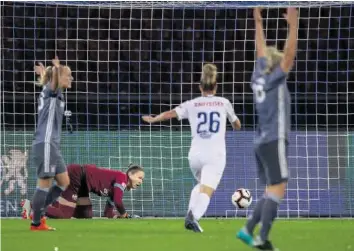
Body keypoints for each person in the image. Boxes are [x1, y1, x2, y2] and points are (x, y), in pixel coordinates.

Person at [142, 63, 241, 232]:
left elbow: (170, 114)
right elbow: (237, 124)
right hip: (214, 155)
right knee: (207, 190)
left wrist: (153, 120)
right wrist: (234, 123)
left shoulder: (192, 104)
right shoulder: (224, 103)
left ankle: (190, 214)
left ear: (200, 87)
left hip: (195, 154)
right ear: (216, 86)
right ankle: (193, 217)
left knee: (201, 185)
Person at [236, 7, 298, 250]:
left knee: (271, 189)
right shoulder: (275, 78)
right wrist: (293, 26)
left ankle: (248, 229)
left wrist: (258, 21)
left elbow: (260, 49)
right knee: (278, 188)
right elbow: (290, 55)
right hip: (274, 138)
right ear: (277, 64)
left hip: (261, 141)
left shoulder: (257, 76)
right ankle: (262, 237)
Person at [29, 57, 73, 231]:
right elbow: (53, 82)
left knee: (64, 182)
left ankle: (37, 211)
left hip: (52, 145)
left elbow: (50, 82)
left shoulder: (52, 90)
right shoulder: (52, 89)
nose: (71, 78)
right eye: (68, 75)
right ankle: (36, 222)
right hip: (45, 143)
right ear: (58, 77)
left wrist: (46, 73)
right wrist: (57, 69)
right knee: (44, 184)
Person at [22, 163, 144, 219]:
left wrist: (118, 217)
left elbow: (108, 212)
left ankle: (54, 205)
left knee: (86, 215)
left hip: (84, 184)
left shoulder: (117, 186)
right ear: (130, 174)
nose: (141, 181)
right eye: (139, 177)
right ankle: (33, 205)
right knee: (65, 214)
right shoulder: (122, 178)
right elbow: (118, 202)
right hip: (78, 176)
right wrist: (125, 215)